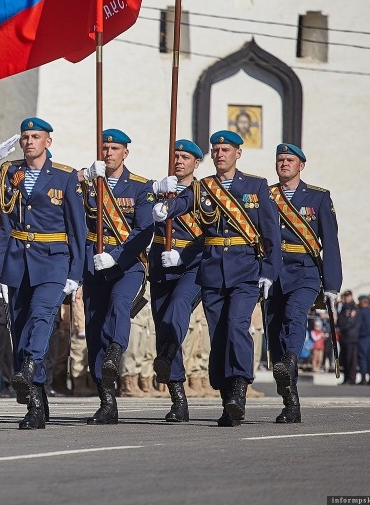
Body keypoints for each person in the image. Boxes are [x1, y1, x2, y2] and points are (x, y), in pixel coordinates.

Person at [0, 117, 87, 429]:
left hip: (53, 261)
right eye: (25, 137)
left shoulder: (64, 177)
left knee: (42, 317)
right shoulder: (9, 172)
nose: (29, 141)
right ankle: (36, 406)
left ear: (48, 142)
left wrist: (76, 271)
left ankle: (30, 365)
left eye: (35, 136)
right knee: (21, 328)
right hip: (17, 263)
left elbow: (78, 229)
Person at [153, 130, 281, 426]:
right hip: (212, 272)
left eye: (226, 149)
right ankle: (227, 399)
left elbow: (270, 231)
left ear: (238, 154)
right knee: (219, 335)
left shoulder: (256, 186)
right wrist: (166, 208)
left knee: (237, 325)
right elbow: (183, 203)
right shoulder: (204, 187)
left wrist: (269, 271)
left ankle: (239, 389)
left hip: (245, 270)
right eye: (216, 150)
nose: (220, 154)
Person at [77, 128, 156, 424]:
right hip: (93, 263)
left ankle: (115, 350)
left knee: (120, 305)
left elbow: (144, 229)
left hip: (127, 263)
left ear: (126, 153)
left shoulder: (139, 187)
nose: (109, 152)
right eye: (105, 147)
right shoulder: (88, 185)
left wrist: (115, 255)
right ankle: (107, 400)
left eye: (115, 148)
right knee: (94, 328)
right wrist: (83, 176)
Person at [264, 143, 342, 423]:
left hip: (305, 272)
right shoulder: (266, 195)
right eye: (280, 159)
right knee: (275, 335)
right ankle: (291, 403)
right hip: (273, 274)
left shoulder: (319, 198)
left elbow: (330, 243)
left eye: (290, 160)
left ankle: (292, 358)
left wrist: (332, 284)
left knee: (294, 317)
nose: (284, 164)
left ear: (301, 165)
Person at [149, 139, 205, 422]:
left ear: (196, 163)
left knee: (177, 310)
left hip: (192, 266)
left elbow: (212, 232)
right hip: (161, 266)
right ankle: (178, 399)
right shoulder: (159, 189)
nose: (179, 160)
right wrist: (155, 192)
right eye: (175, 156)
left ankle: (169, 352)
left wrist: (183, 257)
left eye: (185, 157)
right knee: (162, 327)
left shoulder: (206, 191)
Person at [336, 291, 359, 384]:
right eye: (345, 297)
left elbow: (350, 322)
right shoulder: (344, 307)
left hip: (351, 336)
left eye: (347, 296)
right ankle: (346, 378)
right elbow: (340, 320)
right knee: (345, 358)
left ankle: (351, 378)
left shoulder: (353, 308)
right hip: (344, 336)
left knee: (351, 359)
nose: (346, 298)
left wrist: (341, 327)